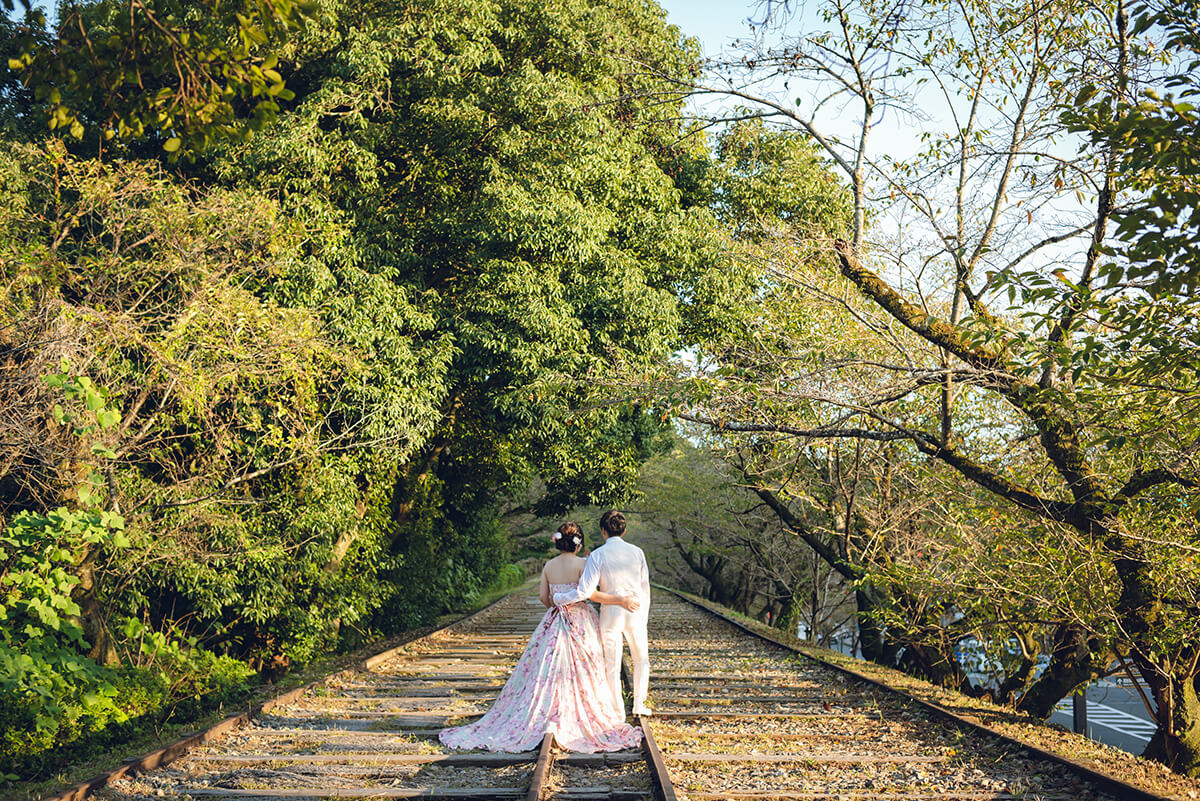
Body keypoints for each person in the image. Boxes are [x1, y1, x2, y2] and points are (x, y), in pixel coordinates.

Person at [439, 522, 643, 752]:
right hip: (580, 621)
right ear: (579, 544)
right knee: (585, 668)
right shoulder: (583, 564)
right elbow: (591, 594)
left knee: (547, 669)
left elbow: (544, 598)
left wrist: (556, 606)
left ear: (558, 543)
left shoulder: (548, 566)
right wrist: (620, 600)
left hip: (554, 620)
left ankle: (545, 710)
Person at [553, 510, 651, 717]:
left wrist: (560, 598)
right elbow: (645, 588)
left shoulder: (598, 555)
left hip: (611, 614)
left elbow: (585, 592)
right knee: (641, 658)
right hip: (635, 610)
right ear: (625, 531)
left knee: (612, 663)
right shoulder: (638, 552)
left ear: (603, 531)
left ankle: (617, 711)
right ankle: (639, 706)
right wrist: (643, 615)